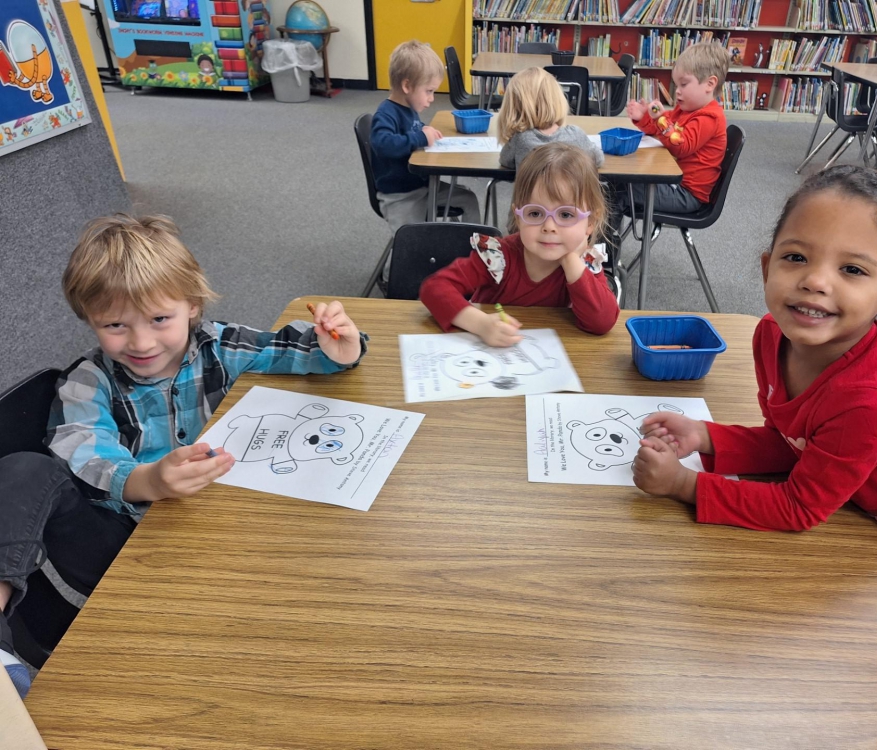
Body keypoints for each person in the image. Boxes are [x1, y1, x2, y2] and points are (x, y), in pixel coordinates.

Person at [631, 166, 877, 696]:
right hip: (858, 479)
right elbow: (793, 443)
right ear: (767, 267)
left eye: (852, 269)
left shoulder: (870, 402)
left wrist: (683, 485)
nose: (816, 281)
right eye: (796, 258)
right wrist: (707, 437)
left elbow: (799, 508)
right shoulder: (769, 335)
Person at [0, 214, 368, 699]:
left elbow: (294, 351)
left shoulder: (222, 346)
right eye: (115, 325)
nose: (141, 342)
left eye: (159, 319)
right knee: (24, 470)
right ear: (89, 319)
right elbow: (84, 455)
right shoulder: (87, 382)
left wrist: (340, 346)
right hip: (125, 550)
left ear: (192, 305)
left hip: (228, 538)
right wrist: (149, 481)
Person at [419, 142, 619, 346]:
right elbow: (434, 288)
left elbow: (602, 322)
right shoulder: (499, 257)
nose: (549, 227)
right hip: (487, 352)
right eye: (535, 213)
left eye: (566, 215)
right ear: (518, 217)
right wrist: (481, 324)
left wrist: (570, 260)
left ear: (590, 222)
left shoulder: (584, 262)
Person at [607, 41, 729, 256]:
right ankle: (603, 247)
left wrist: (660, 118)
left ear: (709, 84)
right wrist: (644, 117)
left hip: (686, 194)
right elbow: (658, 131)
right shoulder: (684, 110)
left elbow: (681, 145)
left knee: (616, 191)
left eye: (684, 85)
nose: (677, 92)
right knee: (614, 184)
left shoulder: (709, 117)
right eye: (676, 85)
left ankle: (605, 254)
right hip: (671, 181)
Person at [370, 40, 481, 238]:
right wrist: (420, 136)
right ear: (407, 85)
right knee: (411, 243)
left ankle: (475, 248)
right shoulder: (386, 113)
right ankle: (402, 261)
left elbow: (410, 130)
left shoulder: (409, 107)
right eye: (429, 91)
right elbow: (383, 143)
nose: (432, 98)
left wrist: (423, 128)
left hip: (424, 187)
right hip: (401, 196)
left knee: (468, 199)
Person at [497, 66, 603, 169]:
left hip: (532, 182)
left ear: (513, 107)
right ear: (557, 99)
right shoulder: (576, 135)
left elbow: (505, 161)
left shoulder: (519, 139)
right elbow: (598, 159)